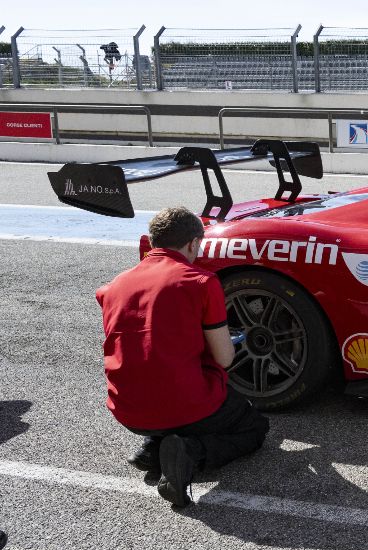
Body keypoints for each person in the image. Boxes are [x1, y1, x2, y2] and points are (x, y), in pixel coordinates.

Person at [96, 207, 268, 508]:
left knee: (165, 387)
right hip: (185, 405)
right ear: (192, 244)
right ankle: (191, 452)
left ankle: (153, 448)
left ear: (153, 243)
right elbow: (225, 358)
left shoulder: (114, 287)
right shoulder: (201, 281)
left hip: (125, 409)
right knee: (254, 428)